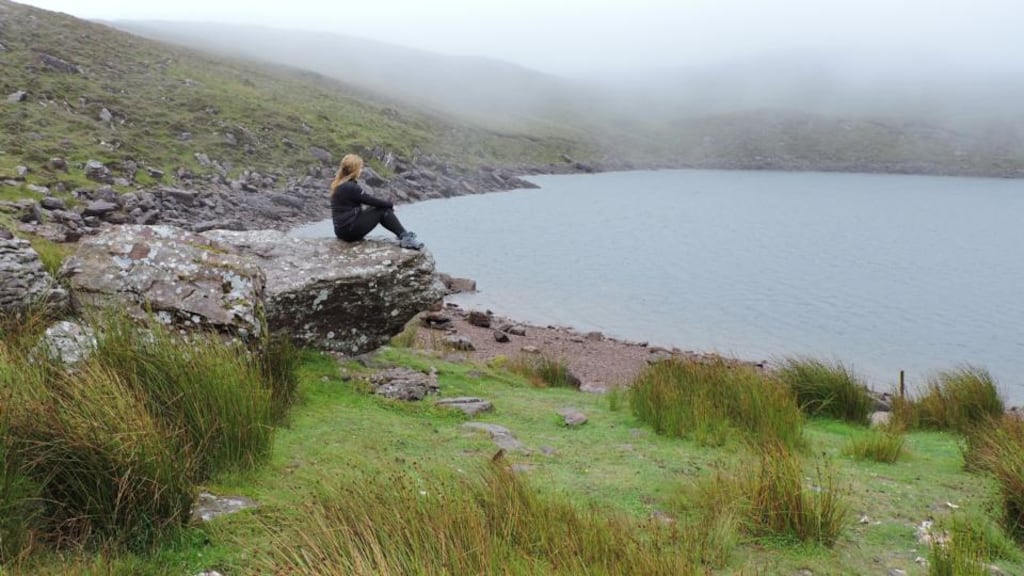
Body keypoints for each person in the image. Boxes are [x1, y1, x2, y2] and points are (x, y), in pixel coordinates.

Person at [330, 153, 423, 250]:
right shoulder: (350, 187)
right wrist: (390, 205)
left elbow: (368, 201)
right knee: (383, 210)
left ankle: (403, 235)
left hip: (341, 231)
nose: (361, 170)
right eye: (360, 168)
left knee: (377, 208)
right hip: (349, 231)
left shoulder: (339, 184)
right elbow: (369, 200)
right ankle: (405, 237)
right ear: (354, 170)